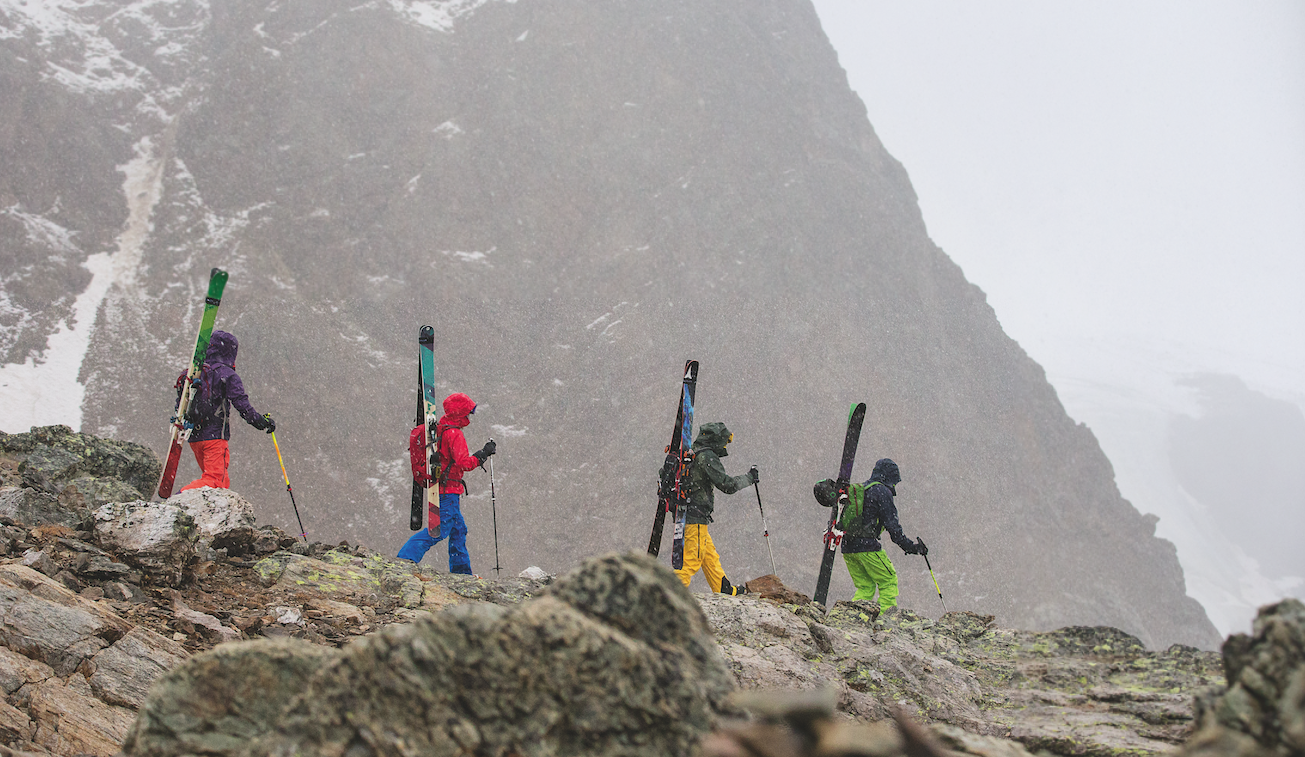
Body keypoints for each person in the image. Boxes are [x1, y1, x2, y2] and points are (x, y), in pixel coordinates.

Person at [397, 392, 495, 574]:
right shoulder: (454, 434)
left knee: (458, 529)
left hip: (442, 487)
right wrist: (483, 454)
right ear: (460, 413)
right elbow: (464, 463)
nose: (469, 418)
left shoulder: (440, 429)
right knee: (438, 530)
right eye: (467, 413)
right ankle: (405, 559)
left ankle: (461, 572)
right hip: (449, 490)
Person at [814, 457, 925, 611]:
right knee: (888, 580)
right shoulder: (882, 492)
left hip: (848, 548)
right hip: (868, 548)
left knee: (865, 586)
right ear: (890, 477)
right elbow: (893, 528)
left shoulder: (860, 490)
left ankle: (854, 617)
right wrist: (911, 547)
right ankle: (886, 617)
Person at [177, 330, 274, 492]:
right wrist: (261, 422)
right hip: (214, 437)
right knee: (215, 480)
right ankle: (179, 497)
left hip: (194, 438)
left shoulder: (194, 373)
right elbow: (242, 405)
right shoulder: (226, 375)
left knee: (220, 482)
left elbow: (181, 402)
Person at [675, 421, 758, 596]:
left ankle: (723, 589)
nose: (725, 445)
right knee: (692, 559)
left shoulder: (693, 452)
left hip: (686, 513)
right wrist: (749, 478)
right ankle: (670, 596)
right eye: (725, 441)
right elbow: (727, 485)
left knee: (708, 555)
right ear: (717, 440)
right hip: (696, 516)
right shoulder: (706, 457)